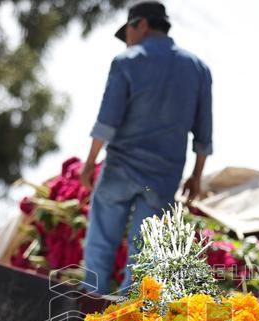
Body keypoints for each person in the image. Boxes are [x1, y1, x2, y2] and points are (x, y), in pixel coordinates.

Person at [80, 1, 213, 294]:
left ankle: (88, 312)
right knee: (142, 261)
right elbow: (203, 135)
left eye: (127, 30)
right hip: (161, 180)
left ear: (141, 24)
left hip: (120, 171)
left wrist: (90, 163)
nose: (126, 39)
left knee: (100, 245)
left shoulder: (127, 61)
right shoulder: (198, 69)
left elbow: (106, 121)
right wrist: (196, 176)